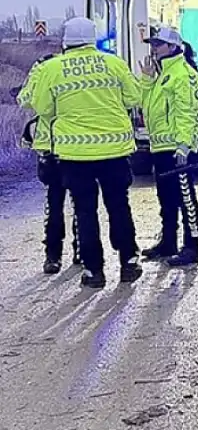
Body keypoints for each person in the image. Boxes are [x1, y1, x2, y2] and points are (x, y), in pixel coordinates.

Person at [29, 17, 143, 289]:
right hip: (115, 150)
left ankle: (94, 272)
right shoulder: (114, 63)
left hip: (76, 154)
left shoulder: (52, 68)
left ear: (66, 41)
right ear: (93, 38)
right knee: (119, 206)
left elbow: (42, 107)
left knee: (85, 211)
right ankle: (129, 261)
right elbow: (134, 98)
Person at [137, 27, 198, 266]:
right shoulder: (163, 75)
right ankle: (168, 242)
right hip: (161, 147)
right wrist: (146, 79)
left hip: (178, 148)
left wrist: (183, 147)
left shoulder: (183, 75)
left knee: (186, 198)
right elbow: (145, 106)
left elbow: (186, 114)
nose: (154, 49)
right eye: (153, 44)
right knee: (166, 198)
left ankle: (192, 246)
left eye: (159, 44)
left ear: (174, 47)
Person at [16, 52, 81, 273]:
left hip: (54, 148)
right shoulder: (77, 69)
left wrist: (36, 77)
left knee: (55, 204)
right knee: (80, 203)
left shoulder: (43, 69)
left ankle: (53, 256)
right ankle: (78, 252)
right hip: (75, 147)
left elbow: (24, 100)